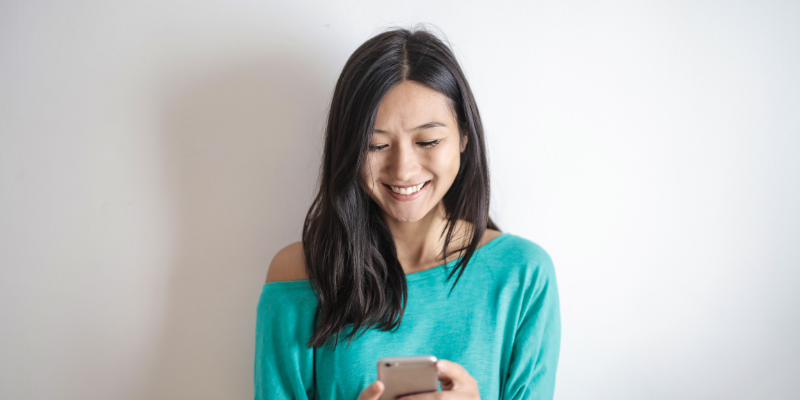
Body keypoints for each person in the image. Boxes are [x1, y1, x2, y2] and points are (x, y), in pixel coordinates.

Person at [255, 27, 560, 400]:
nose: (402, 170)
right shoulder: (298, 273)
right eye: (376, 145)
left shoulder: (523, 274)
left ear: (464, 135)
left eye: (428, 141)